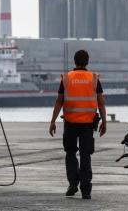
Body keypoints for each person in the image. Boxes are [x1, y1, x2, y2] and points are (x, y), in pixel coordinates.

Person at [49, 50, 107, 200]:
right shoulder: (94, 78)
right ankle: (86, 190)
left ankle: (73, 184)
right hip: (88, 124)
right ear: (87, 62)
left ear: (74, 62)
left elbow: (59, 101)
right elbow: (101, 102)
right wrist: (105, 122)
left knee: (70, 153)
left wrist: (53, 121)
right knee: (85, 155)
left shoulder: (67, 78)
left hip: (70, 123)